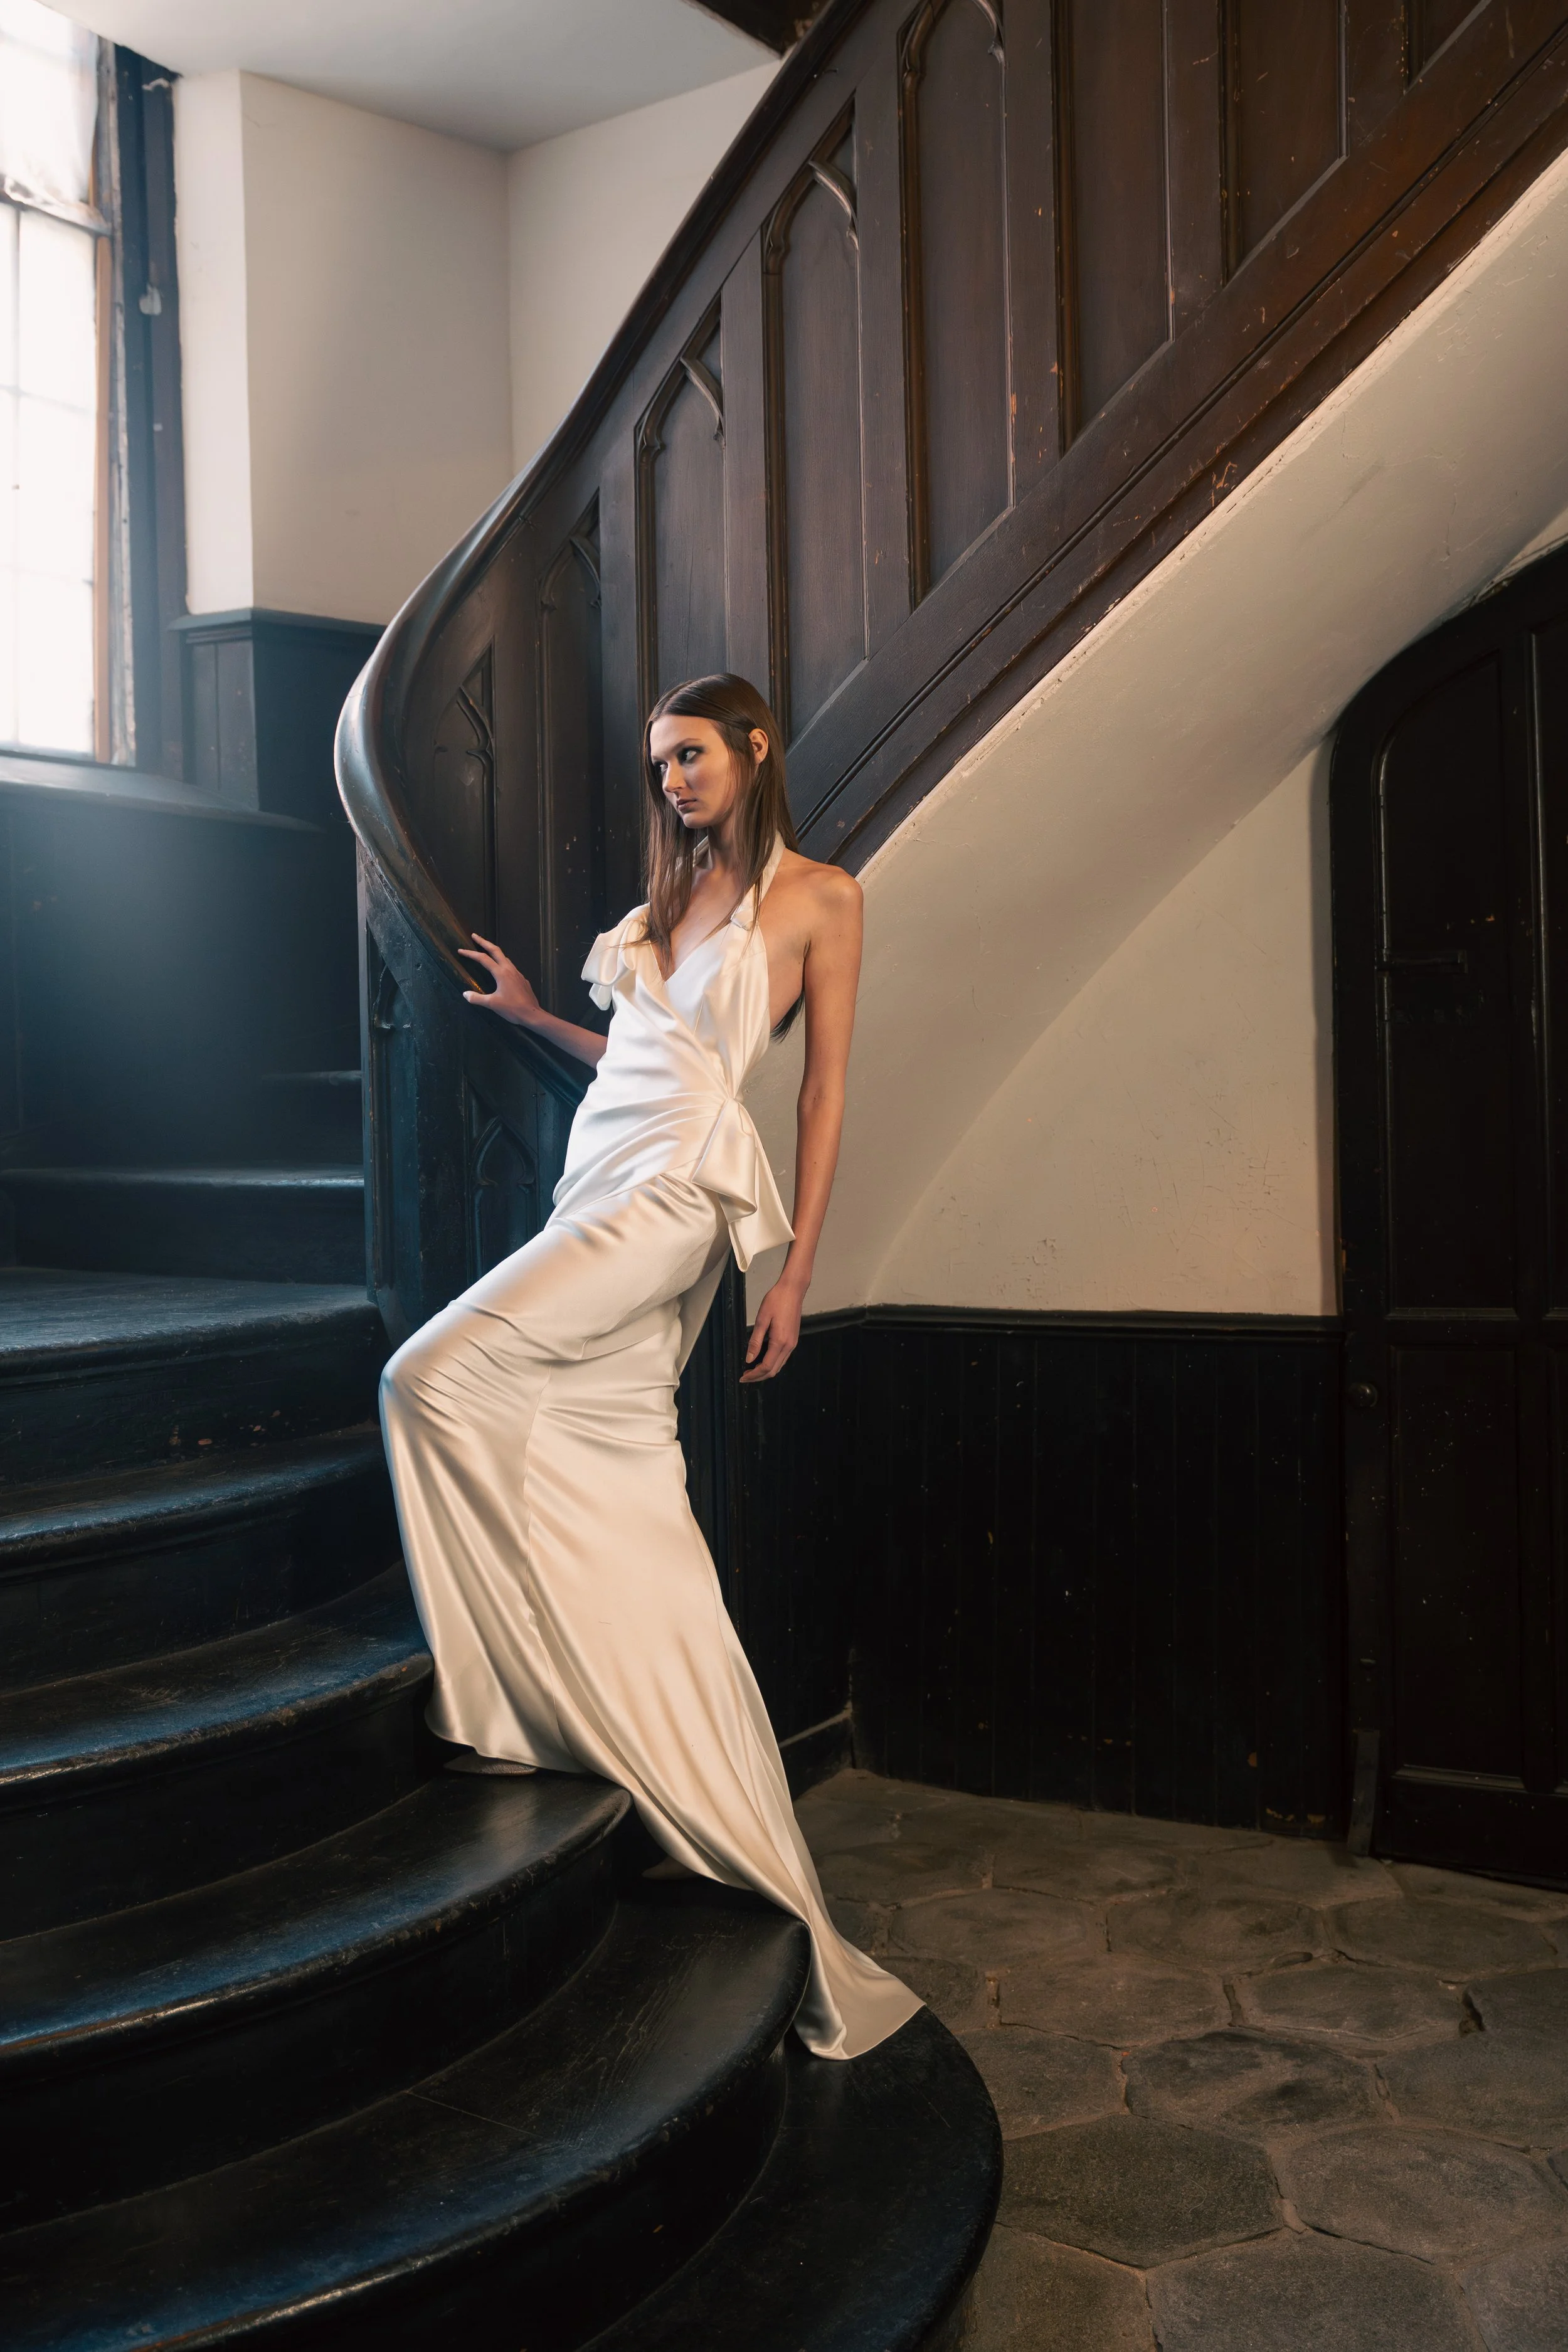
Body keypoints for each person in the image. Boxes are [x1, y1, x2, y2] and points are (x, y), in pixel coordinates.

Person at [378, 672, 922, 2061]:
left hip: (679, 1194)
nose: (672, 781)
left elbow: (823, 1088)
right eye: (657, 766)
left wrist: (793, 1269)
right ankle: (689, 1784)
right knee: (629, 1491)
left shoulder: (821, 899)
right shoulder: (653, 911)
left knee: (428, 1379)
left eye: (690, 756)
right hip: (598, 1179)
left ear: (752, 749)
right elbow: (635, 1054)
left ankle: (503, 1703)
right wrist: (520, 1014)